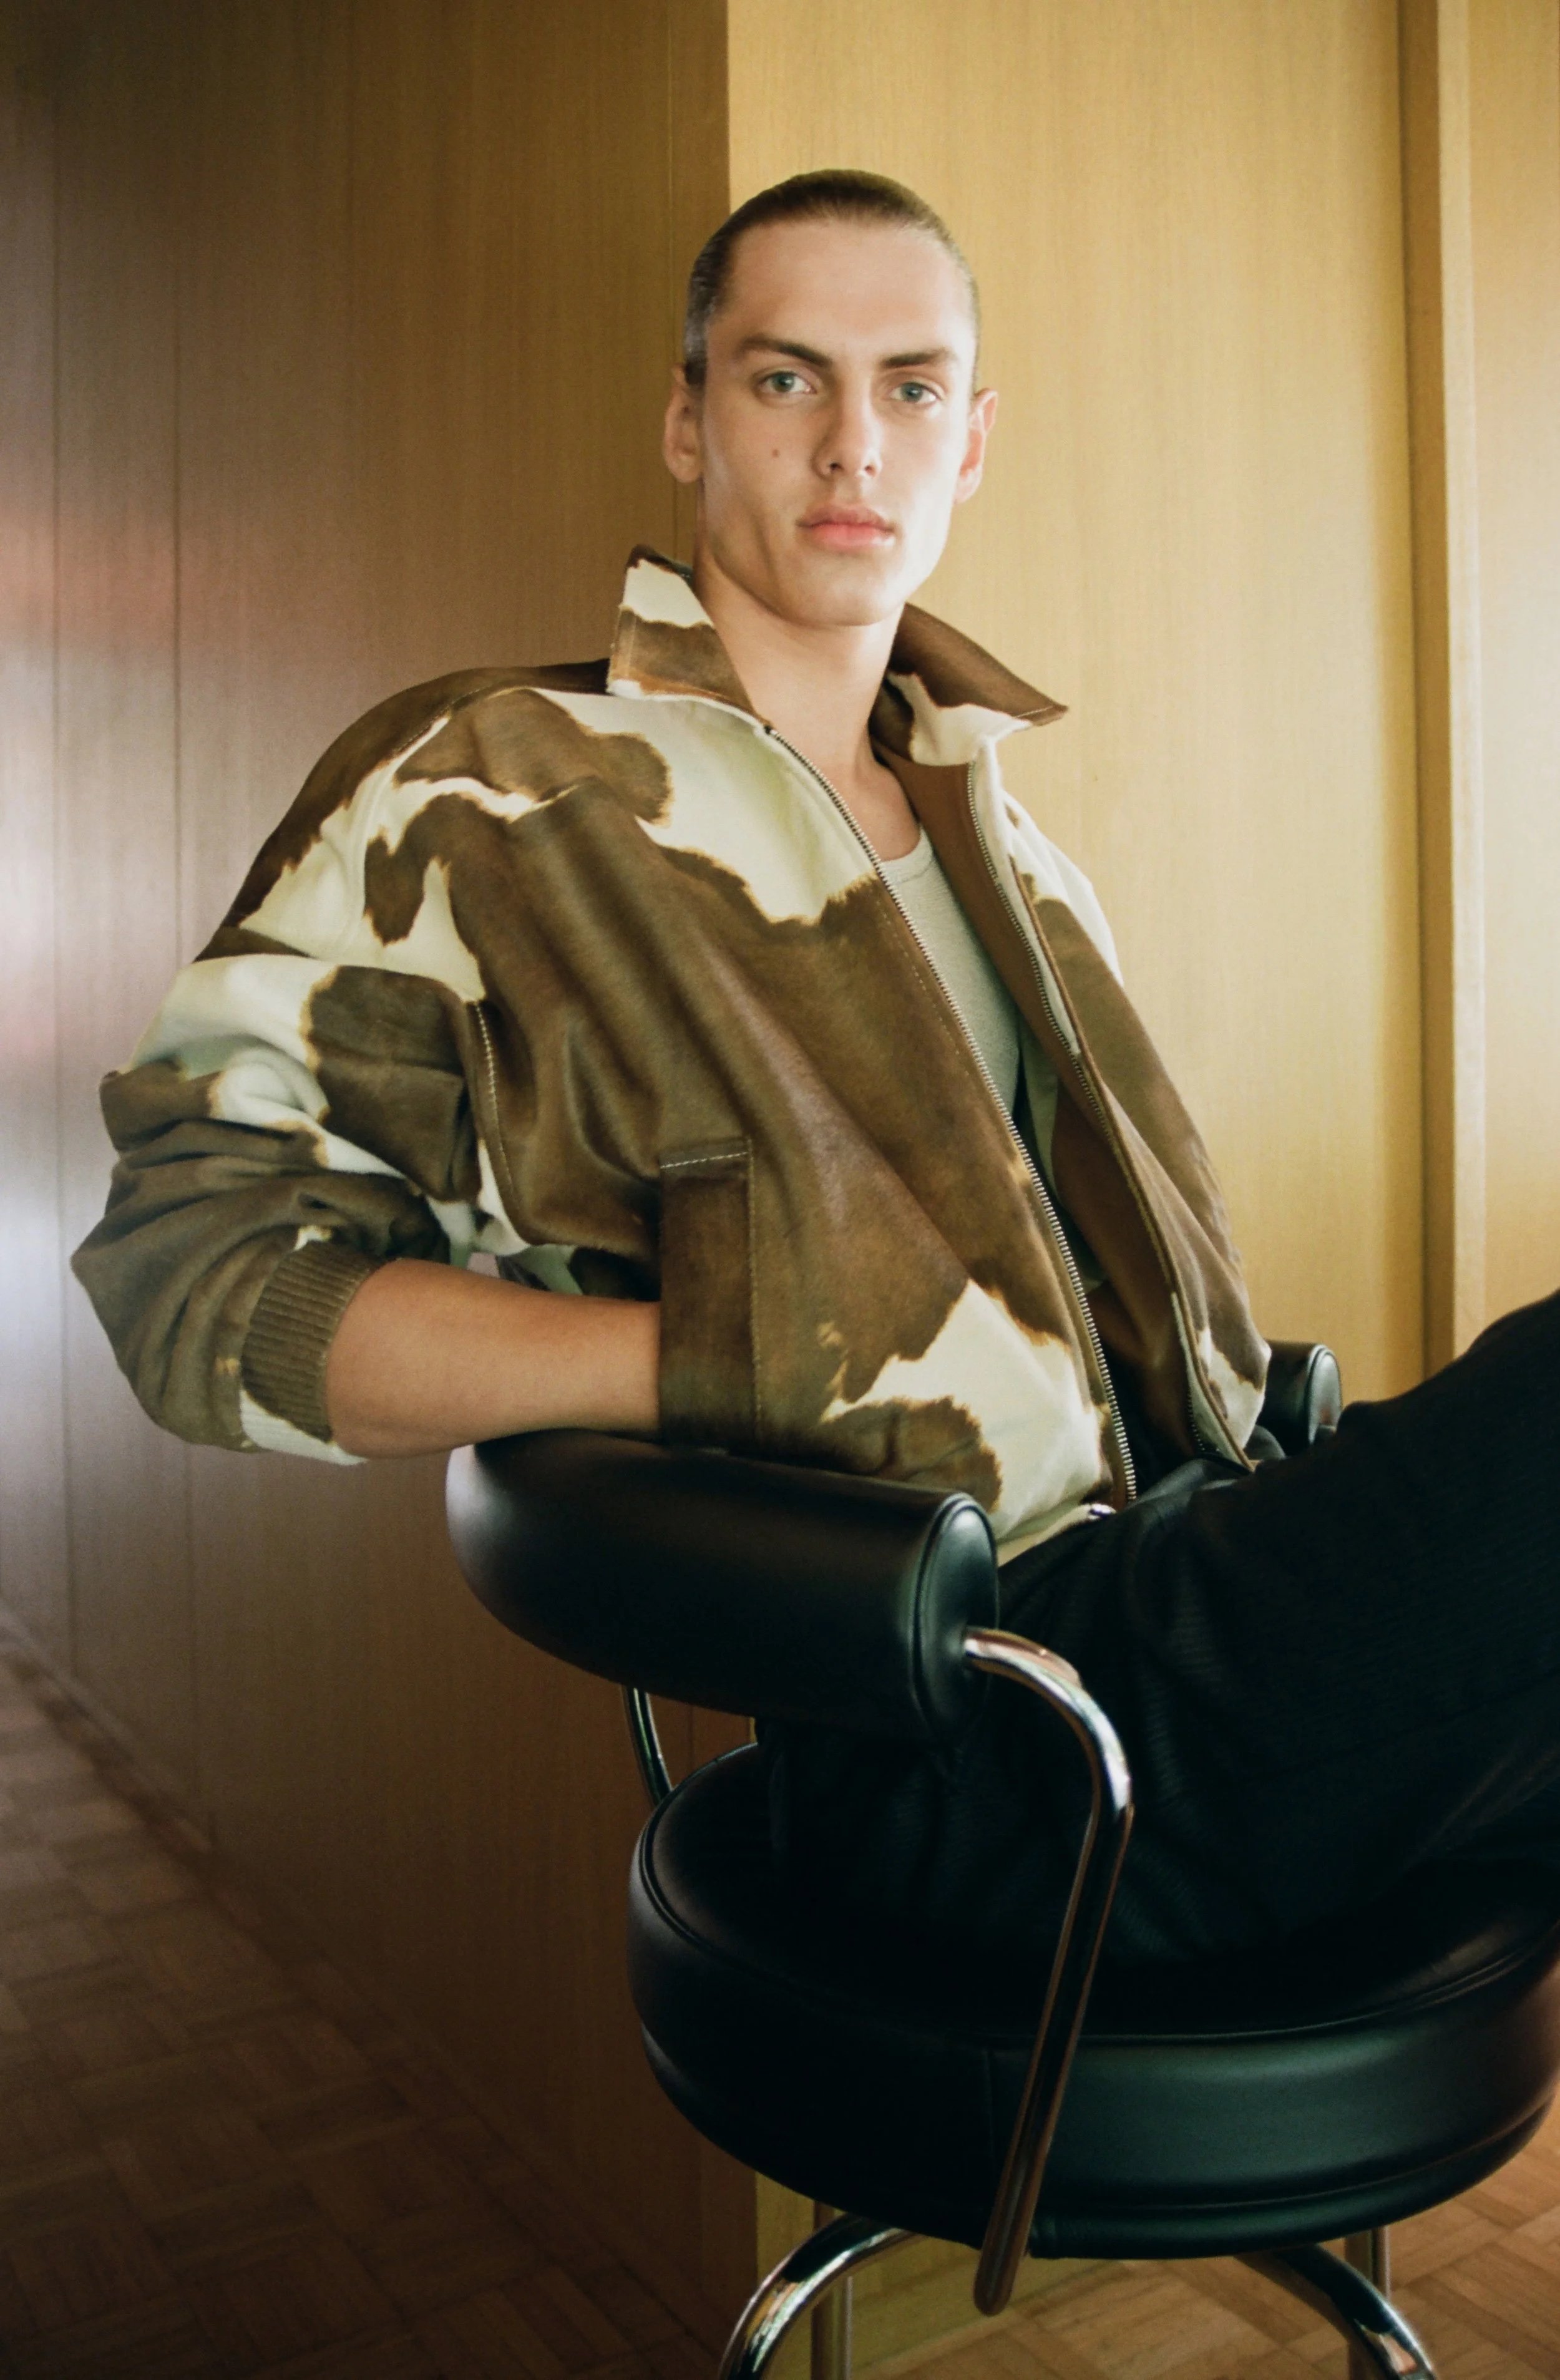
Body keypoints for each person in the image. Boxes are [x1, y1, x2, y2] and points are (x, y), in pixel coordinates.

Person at [74, 171, 1560, 1969]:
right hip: (987, 1728)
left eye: (910, 388)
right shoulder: (497, 788)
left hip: (1200, 1589)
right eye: (787, 380)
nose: (854, 443)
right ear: (688, 422)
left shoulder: (1010, 851)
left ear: (970, 442)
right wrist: (709, 1360)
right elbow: (194, 1283)